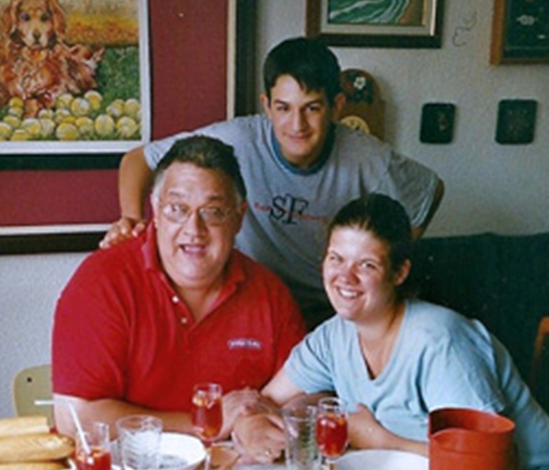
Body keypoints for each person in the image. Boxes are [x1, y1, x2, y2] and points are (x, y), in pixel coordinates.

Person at [233, 194, 549, 470]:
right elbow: (266, 400)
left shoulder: (441, 343)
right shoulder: (334, 335)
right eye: (336, 258)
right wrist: (249, 423)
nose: (344, 277)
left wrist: (379, 439)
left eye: (366, 265)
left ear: (399, 272)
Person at [101, 36, 445, 328]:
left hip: (326, 313)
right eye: (283, 108)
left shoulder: (368, 157)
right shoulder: (237, 138)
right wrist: (132, 218)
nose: (296, 125)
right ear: (266, 105)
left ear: (337, 106)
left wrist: (382, 259)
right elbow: (137, 160)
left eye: (311, 109)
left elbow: (429, 191)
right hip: (248, 303)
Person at [52, 135, 307, 439]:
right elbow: (76, 419)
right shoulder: (102, 282)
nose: (193, 230)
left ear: (238, 218)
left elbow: (304, 394)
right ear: (156, 212)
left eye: (212, 212)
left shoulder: (270, 294)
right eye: (177, 209)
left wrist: (262, 421)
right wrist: (204, 423)